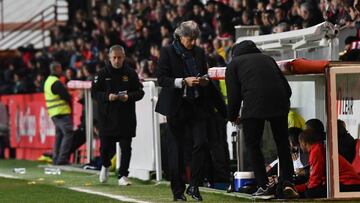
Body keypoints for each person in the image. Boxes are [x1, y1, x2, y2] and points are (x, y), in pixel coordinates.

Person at [225, 40, 297, 199]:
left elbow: (234, 96)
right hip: (280, 103)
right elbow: (287, 89)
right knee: (282, 143)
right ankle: (287, 183)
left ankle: (264, 185)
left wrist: (232, 116)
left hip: (254, 105)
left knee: (252, 145)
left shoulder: (233, 64)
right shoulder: (268, 59)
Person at [155, 20, 214, 201]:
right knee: (177, 150)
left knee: (202, 143)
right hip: (176, 106)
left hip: (196, 104)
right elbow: (162, 79)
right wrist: (182, 81)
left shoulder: (198, 52)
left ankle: (194, 185)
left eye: (195, 38)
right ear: (180, 37)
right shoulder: (167, 52)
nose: (193, 42)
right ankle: (178, 191)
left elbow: (204, 73)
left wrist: (204, 80)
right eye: (190, 39)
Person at [92, 45, 144, 186]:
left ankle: (123, 175)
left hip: (125, 118)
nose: (117, 60)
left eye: (119, 57)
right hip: (107, 118)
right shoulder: (101, 74)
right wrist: (108, 96)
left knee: (126, 147)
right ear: (109, 58)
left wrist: (129, 96)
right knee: (104, 148)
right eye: (114, 57)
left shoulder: (131, 73)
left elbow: (140, 92)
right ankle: (105, 165)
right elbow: (94, 93)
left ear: (124, 57)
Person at [296, 129, 360, 198]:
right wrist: (298, 188)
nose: (300, 146)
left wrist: (300, 190)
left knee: (310, 193)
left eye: (300, 143)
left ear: (303, 142)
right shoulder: (318, 148)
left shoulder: (316, 151)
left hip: (349, 184)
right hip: (347, 183)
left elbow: (315, 180)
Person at [44, 62, 73, 165]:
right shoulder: (56, 82)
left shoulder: (48, 81)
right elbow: (66, 96)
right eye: (60, 68)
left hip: (53, 113)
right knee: (68, 133)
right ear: (56, 69)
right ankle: (62, 159)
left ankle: (56, 158)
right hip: (61, 112)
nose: (61, 70)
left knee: (59, 136)